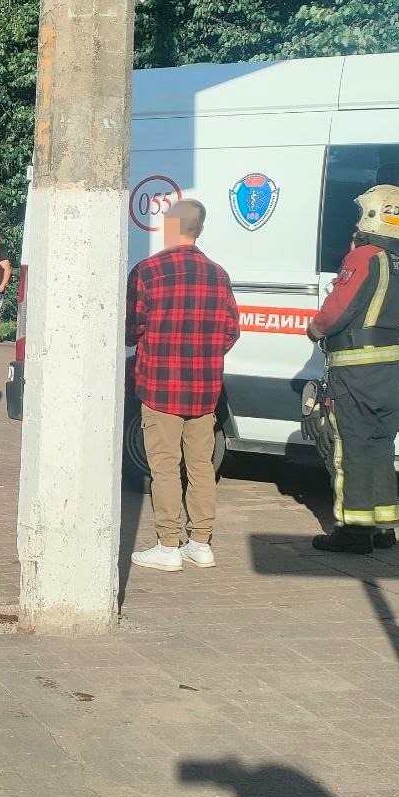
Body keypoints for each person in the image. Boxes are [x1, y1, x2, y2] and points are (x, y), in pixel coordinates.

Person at [127, 199, 240, 573]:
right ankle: (201, 543)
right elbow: (230, 332)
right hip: (205, 388)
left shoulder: (147, 272)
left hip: (160, 386)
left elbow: (130, 328)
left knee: (164, 467)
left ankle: (167, 545)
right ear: (200, 230)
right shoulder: (219, 275)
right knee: (201, 467)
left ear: (168, 227)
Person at [308, 185, 399, 554]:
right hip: (389, 366)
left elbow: (339, 307)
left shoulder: (366, 256)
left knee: (350, 446)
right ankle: (383, 526)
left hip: (355, 368)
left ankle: (353, 531)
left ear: (373, 214)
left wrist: (315, 328)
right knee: (381, 444)